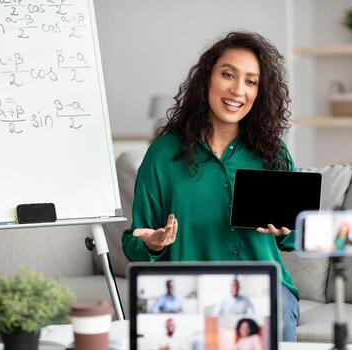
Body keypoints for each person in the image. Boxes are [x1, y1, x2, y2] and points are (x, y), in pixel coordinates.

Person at [122, 31, 300, 341]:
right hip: (190, 291)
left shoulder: (274, 154)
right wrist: (153, 242)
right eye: (228, 74)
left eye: (251, 81)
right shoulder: (163, 155)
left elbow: (297, 236)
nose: (237, 90)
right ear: (207, 78)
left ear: (260, 92)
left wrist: (289, 230)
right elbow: (135, 240)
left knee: (276, 322)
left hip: (264, 288)